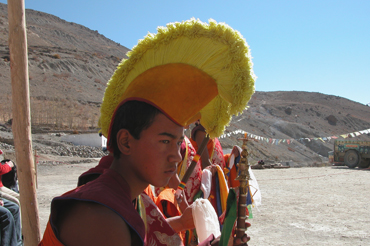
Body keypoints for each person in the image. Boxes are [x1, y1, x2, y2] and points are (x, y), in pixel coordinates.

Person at [40, 18, 256, 246]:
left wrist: (185, 225)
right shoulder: (100, 217)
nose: (177, 156)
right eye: (164, 141)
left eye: (177, 143)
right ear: (126, 142)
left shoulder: (134, 194)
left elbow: (144, 232)